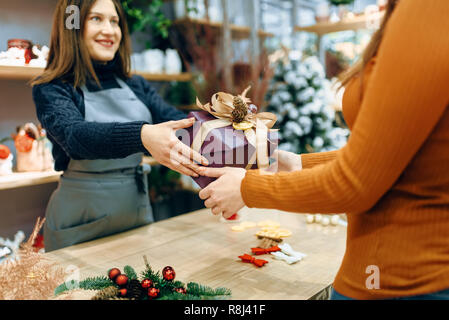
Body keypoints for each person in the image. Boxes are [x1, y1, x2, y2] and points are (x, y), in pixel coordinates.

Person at [198, 0, 449, 300]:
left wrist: (248, 189)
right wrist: (300, 164)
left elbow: (356, 184)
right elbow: (393, 157)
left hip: (397, 283)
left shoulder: (428, 10)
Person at [31, 0, 207, 252]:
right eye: (96, 19)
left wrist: (238, 138)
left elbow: (179, 124)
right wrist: (142, 135)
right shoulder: (53, 87)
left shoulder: (136, 85)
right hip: (80, 221)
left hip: (134, 212)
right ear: (73, 25)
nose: (110, 30)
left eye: (114, 21)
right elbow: (74, 136)